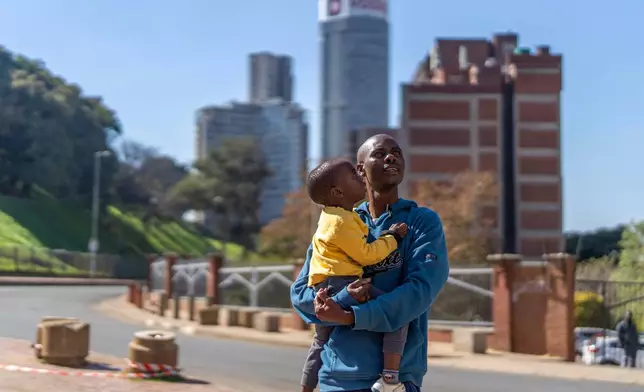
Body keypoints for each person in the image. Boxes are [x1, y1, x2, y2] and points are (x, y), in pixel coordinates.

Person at [291, 134, 450, 392]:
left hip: (396, 381)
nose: (391, 156)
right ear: (360, 170)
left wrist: (350, 316)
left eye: (396, 151)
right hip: (336, 378)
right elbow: (301, 294)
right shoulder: (337, 224)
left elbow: (419, 292)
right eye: (379, 153)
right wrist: (342, 299)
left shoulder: (421, 222)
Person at [300, 158, 410, 392]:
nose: (361, 177)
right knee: (396, 315)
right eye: (353, 175)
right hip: (342, 283)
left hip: (322, 285)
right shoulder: (342, 222)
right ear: (338, 192)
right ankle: (390, 378)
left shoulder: (329, 218)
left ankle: (306, 387)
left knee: (319, 342)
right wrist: (393, 237)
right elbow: (367, 255)